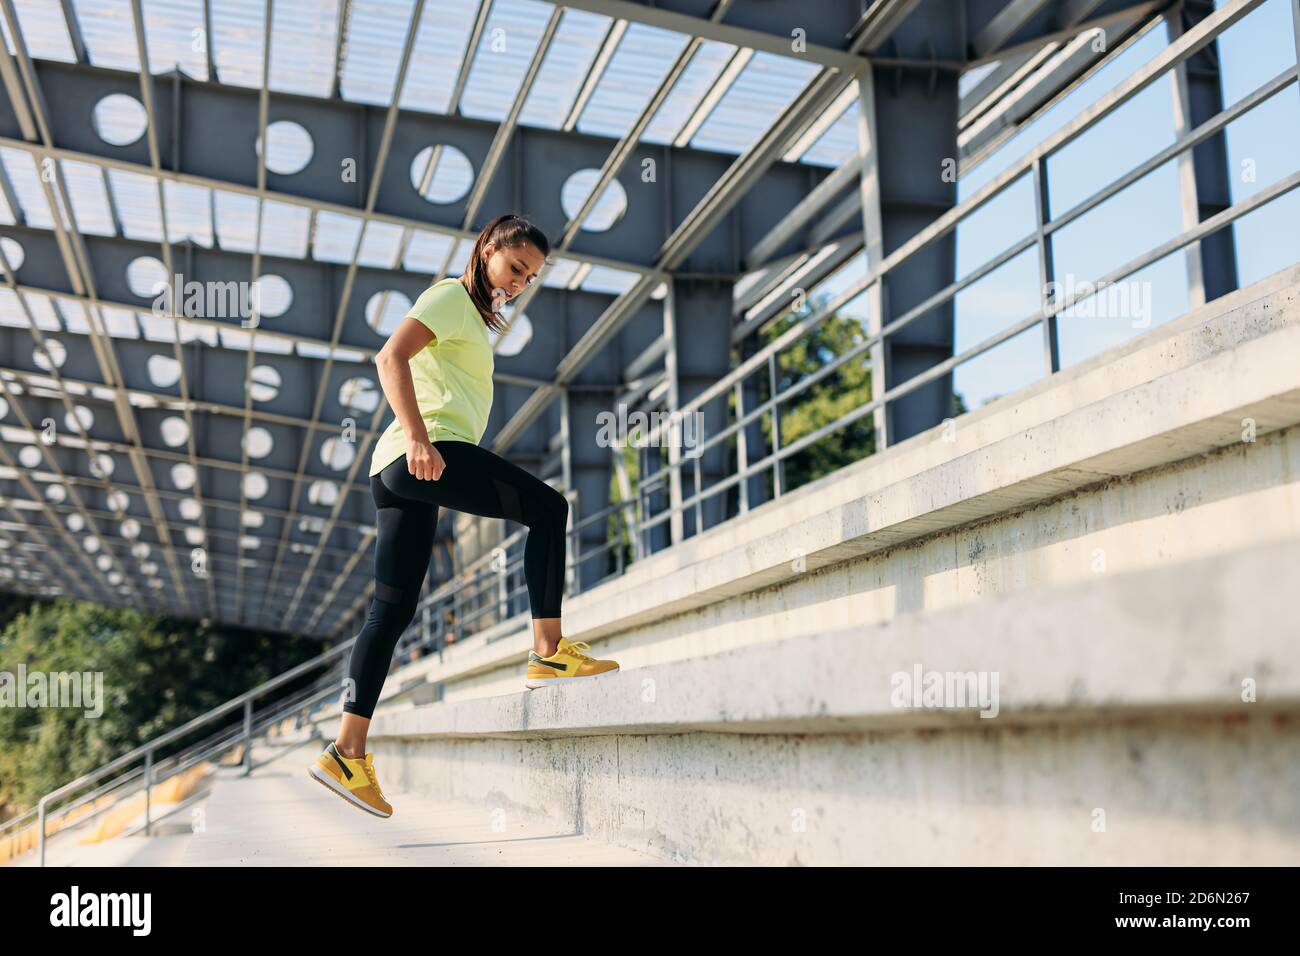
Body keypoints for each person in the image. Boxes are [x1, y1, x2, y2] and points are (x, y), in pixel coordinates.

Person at [308, 213, 619, 818]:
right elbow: (389, 357)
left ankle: (347, 753)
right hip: (428, 454)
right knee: (550, 510)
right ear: (487, 250)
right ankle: (548, 651)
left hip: (394, 471)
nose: (519, 283)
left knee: (390, 613)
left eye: (530, 278)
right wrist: (422, 439)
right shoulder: (451, 297)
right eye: (514, 267)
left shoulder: (472, 317)